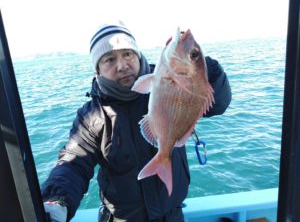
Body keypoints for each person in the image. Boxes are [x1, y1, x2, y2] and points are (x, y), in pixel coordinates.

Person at [41, 21, 232, 222]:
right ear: (98, 70)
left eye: (128, 54)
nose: (122, 65)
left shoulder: (163, 78)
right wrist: (56, 199)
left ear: (138, 55)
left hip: (173, 216)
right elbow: (73, 161)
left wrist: (202, 66)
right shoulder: (92, 116)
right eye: (109, 59)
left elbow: (219, 103)